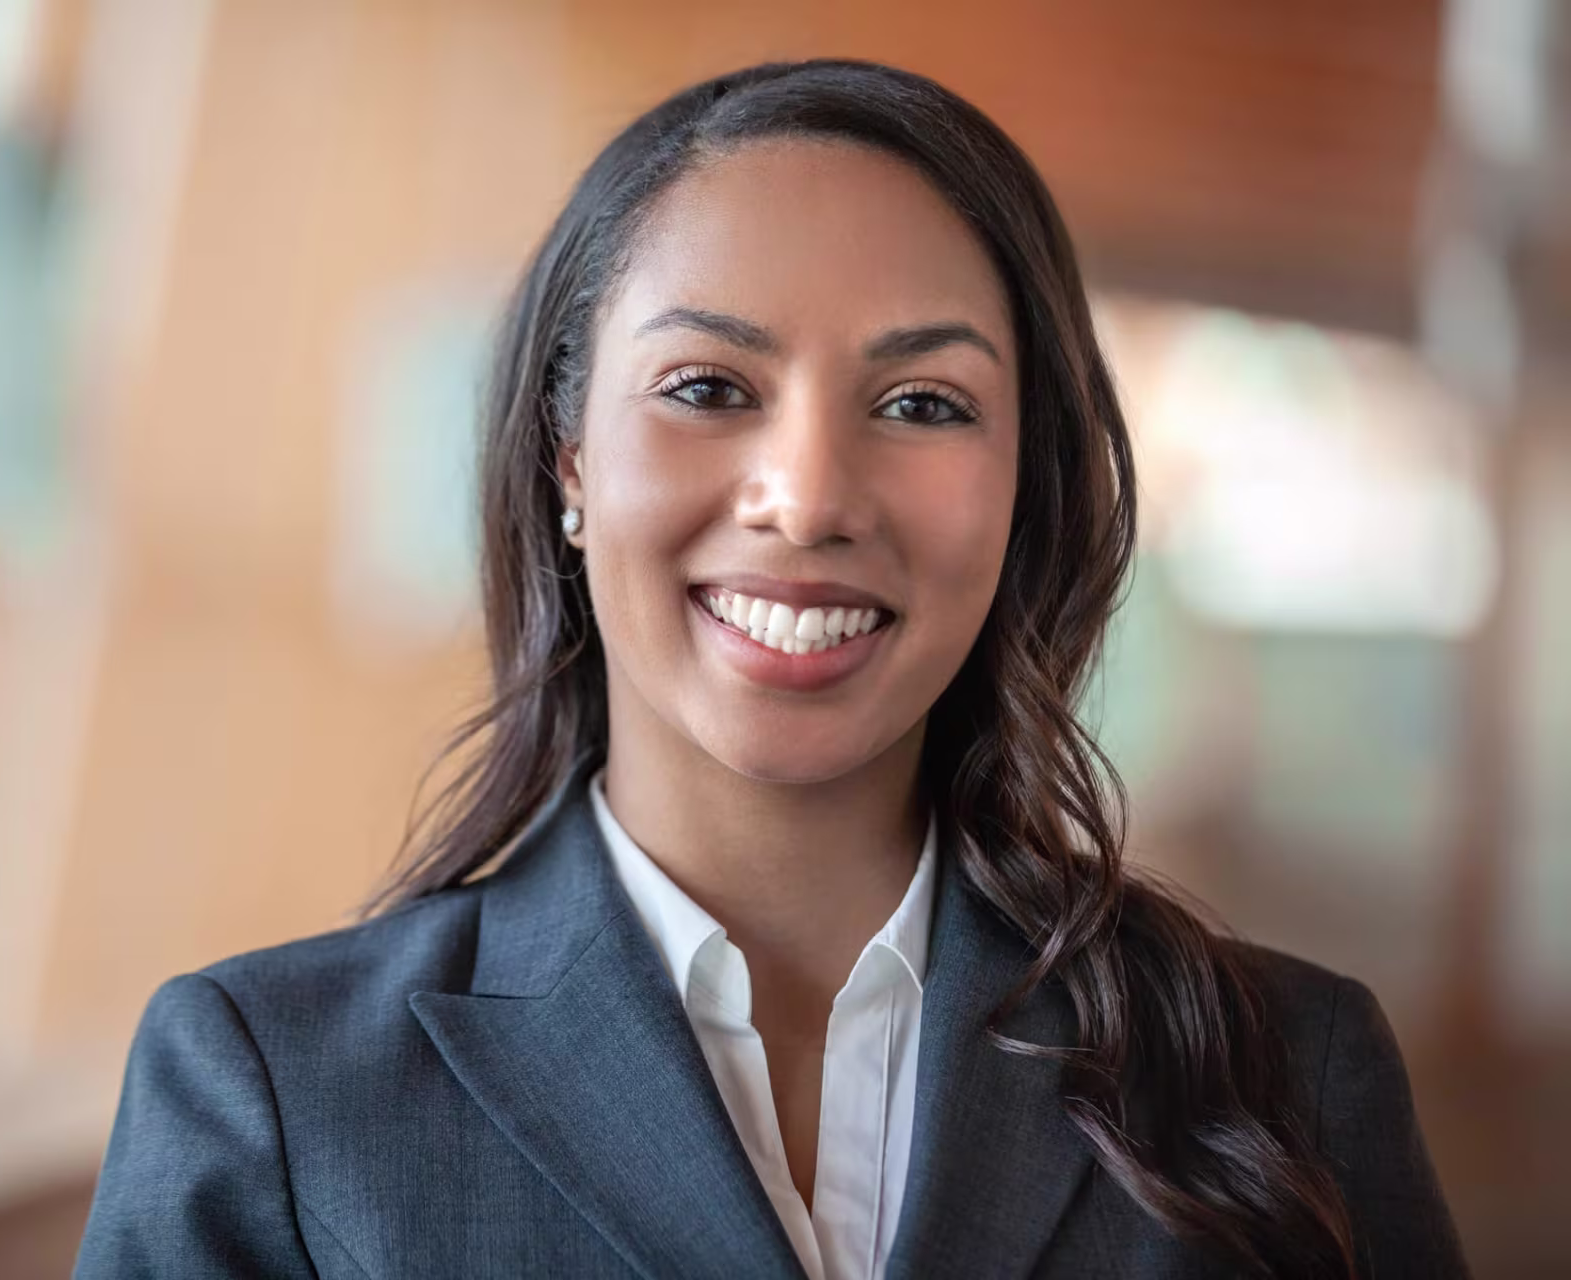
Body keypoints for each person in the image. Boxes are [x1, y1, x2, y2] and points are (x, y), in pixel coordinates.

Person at [73, 59, 1467, 1279]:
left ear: (1023, 486)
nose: (806, 499)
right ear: (569, 460)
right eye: (707, 390)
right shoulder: (277, 1091)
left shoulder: (1285, 1073)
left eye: (922, 404)